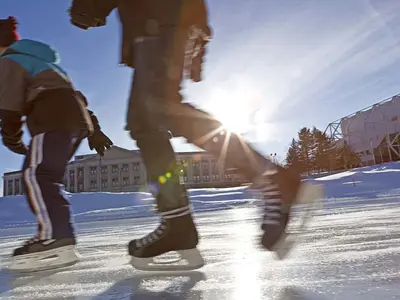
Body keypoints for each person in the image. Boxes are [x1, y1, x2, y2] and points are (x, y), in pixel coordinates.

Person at [68, 0, 322, 270]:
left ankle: (273, 181)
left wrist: (87, 8)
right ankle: (178, 223)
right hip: (163, 23)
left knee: (158, 112)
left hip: (160, 22)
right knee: (146, 122)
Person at [0, 16, 113, 272]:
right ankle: (50, 235)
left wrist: (12, 139)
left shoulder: (8, 61)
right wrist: (95, 131)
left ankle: (56, 238)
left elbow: (8, 106)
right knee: (46, 177)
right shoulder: (49, 67)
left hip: (51, 120)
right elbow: (77, 99)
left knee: (37, 175)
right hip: (74, 123)